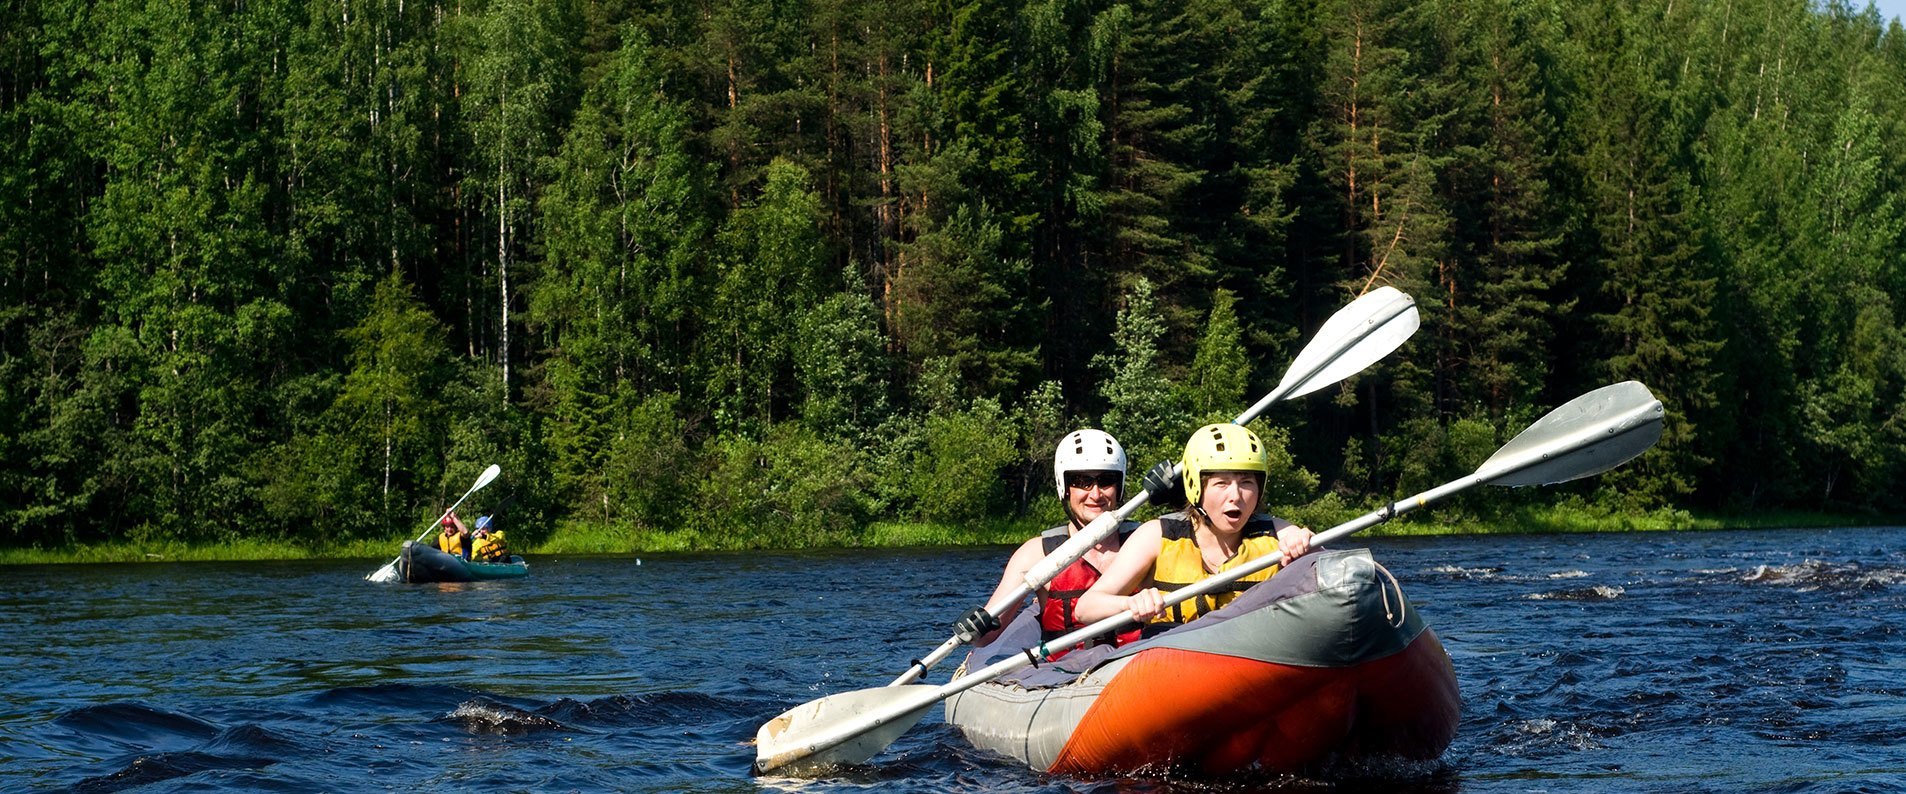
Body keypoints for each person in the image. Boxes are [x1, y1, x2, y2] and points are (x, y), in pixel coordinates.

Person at [1073, 423, 1315, 635]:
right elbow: (1086, 608)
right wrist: (1131, 604)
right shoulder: (1156, 536)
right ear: (1195, 487)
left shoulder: (1276, 533)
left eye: (1246, 483)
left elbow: (1329, 574)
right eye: (1221, 483)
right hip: (1173, 664)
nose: (1236, 496)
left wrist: (1305, 545)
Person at [954, 429, 1142, 658]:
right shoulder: (1036, 554)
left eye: (1106, 481)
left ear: (1119, 485)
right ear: (1065, 487)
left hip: (1136, 667)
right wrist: (975, 626)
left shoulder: (1145, 541)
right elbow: (988, 635)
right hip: (1065, 675)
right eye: (1082, 482)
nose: (1095, 494)